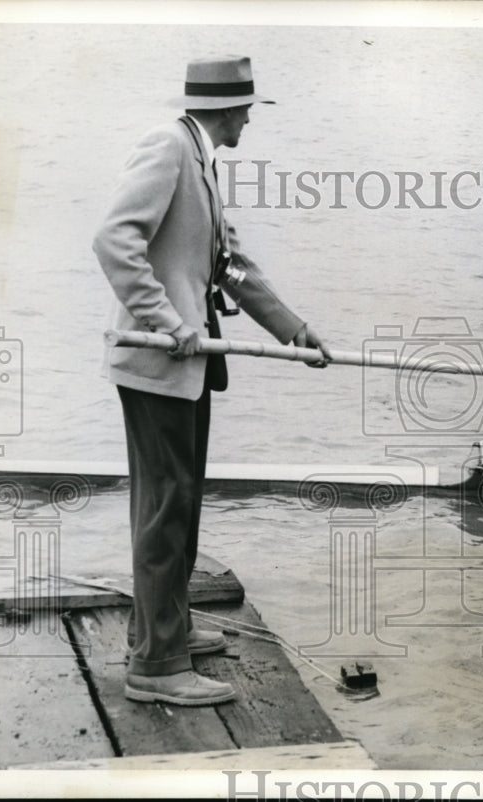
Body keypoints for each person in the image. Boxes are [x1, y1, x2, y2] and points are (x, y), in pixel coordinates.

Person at [94, 56, 332, 706]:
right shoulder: (168, 147)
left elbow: (227, 265)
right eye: (249, 108)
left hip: (189, 367)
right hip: (158, 365)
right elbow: (115, 239)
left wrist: (293, 329)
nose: (252, 118)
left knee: (183, 503)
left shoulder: (201, 158)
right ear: (228, 109)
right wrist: (167, 320)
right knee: (165, 509)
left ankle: (166, 630)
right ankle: (155, 668)